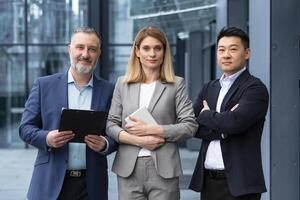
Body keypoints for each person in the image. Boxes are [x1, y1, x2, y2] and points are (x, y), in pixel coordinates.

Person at [19, 27, 117, 200]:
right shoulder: (44, 85)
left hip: (91, 186)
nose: (85, 54)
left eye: (92, 49)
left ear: (98, 53)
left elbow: (117, 132)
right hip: (49, 184)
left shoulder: (110, 91)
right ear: (69, 49)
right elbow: (25, 128)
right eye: (80, 47)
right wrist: (47, 138)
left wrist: (105, 144)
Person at [106, 26, 198, 200]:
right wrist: (140, 140)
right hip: (128, 169)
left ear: (164, 52)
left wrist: (151, 129)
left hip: (164, 169)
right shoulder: (122, 84)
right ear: (137, 51)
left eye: (158, 48)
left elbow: (190, 126)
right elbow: (111, 124)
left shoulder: (176, 84)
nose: (152, 54)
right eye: (146, 48)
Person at [189, 27, 269, 200]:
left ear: (247, 53)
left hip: (240, 185)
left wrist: (207, 115)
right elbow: (193, 126)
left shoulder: (255, 88)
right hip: (208, 181)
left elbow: (235, 122)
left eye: (233, 49)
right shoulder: (209, 88)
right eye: (221, 49)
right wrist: (223, 126)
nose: (226, 55)